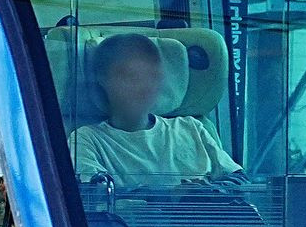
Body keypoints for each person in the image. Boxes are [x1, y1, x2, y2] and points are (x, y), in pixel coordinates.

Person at [66, 32, 237, 191]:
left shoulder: (191, 128)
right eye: (131, 76)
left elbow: (239, 180)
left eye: (153, 76)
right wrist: (172, 197)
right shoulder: (86, 140)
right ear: (103, 79)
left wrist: (210, 191)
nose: (145, 86)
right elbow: (94, 196)